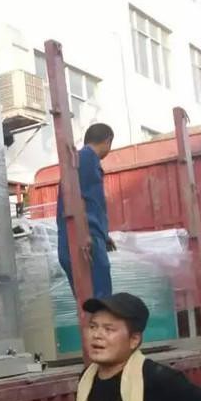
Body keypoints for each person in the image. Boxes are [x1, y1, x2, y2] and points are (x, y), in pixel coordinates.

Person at [58, 124, 116, 298]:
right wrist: (86, 233)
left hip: (86, 237)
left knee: (90, 301)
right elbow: (78, 198)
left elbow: (90, 202)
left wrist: (104, 235)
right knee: (99, 301)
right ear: (108, 141)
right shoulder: (87, 159)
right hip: (85, 240)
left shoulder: (83, 160)